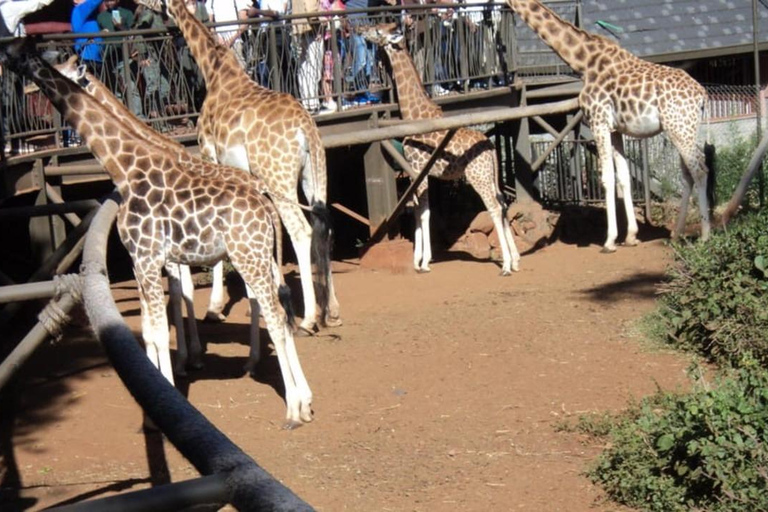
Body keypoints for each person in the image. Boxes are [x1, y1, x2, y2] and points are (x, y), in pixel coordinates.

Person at [97, 0, 139, 115]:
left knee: (130, 86)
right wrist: (101, 33)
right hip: (109, 55)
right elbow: (99, 34)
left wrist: (120, 26)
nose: (109, 3)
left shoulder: (126, 13)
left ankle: (138, 115)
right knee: (115, 89)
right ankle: (121, 116)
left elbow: (133, 33)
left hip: (124, 54)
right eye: (107, 1)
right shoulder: (101, 17)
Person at [291, 0, 323, 112]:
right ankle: (312, 103)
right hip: (311, 29)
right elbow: (311, 9)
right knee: (313, 67)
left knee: (303, 68)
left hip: (298, 28)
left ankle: (306, 102)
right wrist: (319, 25)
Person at [206, 0, 252, 68]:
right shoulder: (211, 1)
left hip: (236, 42)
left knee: (239, 70)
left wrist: (231, 40)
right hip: (219, 44)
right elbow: (210, 24)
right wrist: (217, 38)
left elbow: (244, 23)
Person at [318, 0, 345, 112]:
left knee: (336, 69)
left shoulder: (336, 2)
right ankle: (327, 99)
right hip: (326, 41)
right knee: (327, 72)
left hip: (336, 40)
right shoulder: (321, 3)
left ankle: (336, 97)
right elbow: (320, 19)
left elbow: (342, 12)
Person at [71, 0, 105, 75]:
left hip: (93, 57)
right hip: (88, 56)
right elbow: (93, 2)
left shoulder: (85, 13)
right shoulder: (80, 9)